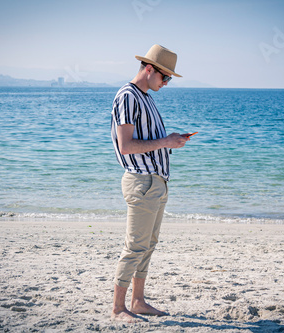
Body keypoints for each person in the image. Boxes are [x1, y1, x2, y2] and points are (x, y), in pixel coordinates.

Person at [110, 44, 191, 322]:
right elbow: (126, 146)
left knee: (148, 245)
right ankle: (119, 308)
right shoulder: (128, 96)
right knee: (135, 246)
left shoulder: (146, 97)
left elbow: (149, 143)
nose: (166, 83)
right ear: (149, 69)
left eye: (169, 78)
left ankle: (138, 301)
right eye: (164, 77)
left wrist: (171, 140)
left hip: (157, 183)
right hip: (142, 183)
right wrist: (166, 141)